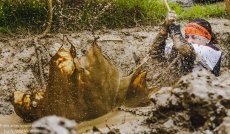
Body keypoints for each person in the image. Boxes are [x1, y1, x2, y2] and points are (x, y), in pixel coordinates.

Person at [150, 11, 222, 77]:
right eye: (187, 37)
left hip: (204, 89)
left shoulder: (212, 51)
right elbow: (155, 53)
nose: (189, 41)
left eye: (194, 37)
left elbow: (184, 48)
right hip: (182, 86)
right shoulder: (183, 45)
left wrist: (176, 31)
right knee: (174, 51)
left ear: (207, 39)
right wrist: (164, 28)